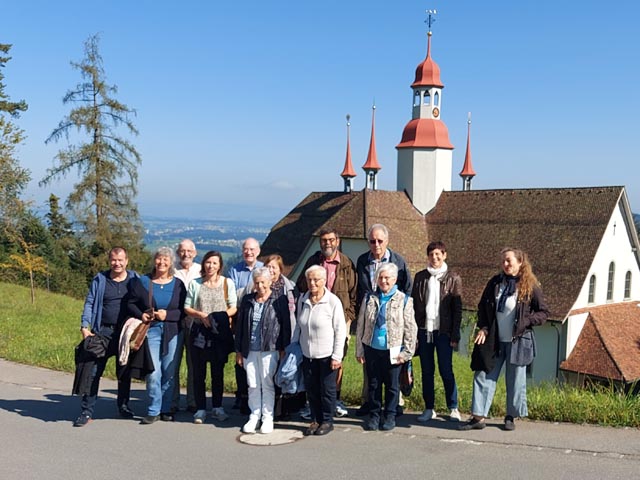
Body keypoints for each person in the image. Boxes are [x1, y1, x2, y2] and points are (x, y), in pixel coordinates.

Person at [460, 247, 549, 432]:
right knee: (483, 374)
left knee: (515, 380)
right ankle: (478, 417)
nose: (505, 264)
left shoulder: (530, 286)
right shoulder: (495, 282)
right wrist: (483, 327)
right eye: (503, 261)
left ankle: (510, 416)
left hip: (519, 340)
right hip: (494, 340)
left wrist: (527, 320)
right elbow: (482, 306)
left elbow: (543, 313)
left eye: (509, 261)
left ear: (520, 262)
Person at [73, 247, 138, 427]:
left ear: (127, 261)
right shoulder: (100, 279)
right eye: (113, 260)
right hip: (102, 332)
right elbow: (90, 302)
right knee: (93, 372)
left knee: (124, 372)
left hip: (125, 333)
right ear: (109, 260)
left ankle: (123, 405)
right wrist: (85, 326)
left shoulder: (135, 280)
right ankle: (86, 411)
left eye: (120, 260)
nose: (117, 263)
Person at [296, 228, 356, 418]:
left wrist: (348, 317)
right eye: (323, 240)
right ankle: (314, 404)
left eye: (330, 240)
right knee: (313, 360)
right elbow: (300, 285)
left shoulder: (346, 264)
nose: (327, 243)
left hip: (339, 316)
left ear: (337, 241)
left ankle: (333, 400)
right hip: (315, 312)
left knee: (336, 359)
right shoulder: (313, 261)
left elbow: (355, 294)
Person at [355, 223, 412, 416]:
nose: (376, 244)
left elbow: (407, 288)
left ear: (387, 241)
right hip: (370, 316)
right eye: (372, 241)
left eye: (380, 241)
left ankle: (394, 405)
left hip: (393, 320)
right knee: (371, 372)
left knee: (393, 368)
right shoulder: (363, 261)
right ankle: (371, 404)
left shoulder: (399, 261)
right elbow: (360, 289)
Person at [127, 246, 187, 424]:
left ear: (171, 263)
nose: (162, 262)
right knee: (153, 371)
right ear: (154, 260)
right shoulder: (143, 282)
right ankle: (153, 409)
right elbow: (130, 302)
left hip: (173, 332)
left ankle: (166, 408)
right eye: (159, 259)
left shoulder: (178, 285)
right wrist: (141, 314)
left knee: (169, 371)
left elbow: (184, 311)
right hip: (151, 331)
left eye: (166, 260)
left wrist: (167, 315)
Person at [356, 263, 417, 431]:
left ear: (395, 279)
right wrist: (359, 350)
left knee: (392, 386)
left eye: (387, 278)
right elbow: (360, 325)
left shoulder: (404, 300)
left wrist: (407, 353)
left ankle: (390, 415)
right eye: (380, 278)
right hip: (372, 348)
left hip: (394, 350)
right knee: (374, 384)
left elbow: (410, 329)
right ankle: (374, 415)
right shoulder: (369, 298)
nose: (383, 281)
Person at [411, 241, 463, 423]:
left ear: (444, 255)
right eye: (431, 255)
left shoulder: (453, 278)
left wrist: (455, 335)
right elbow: (414, 306)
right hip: (424, 331)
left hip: (444, 332)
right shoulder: (420, 277)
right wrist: (414, 333)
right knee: (427, 371)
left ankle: (453, 407)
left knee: (446, 370)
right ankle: (429, 408)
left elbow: (457, 310)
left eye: (438, 254)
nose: (435, 258)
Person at [184, 251, 237, 424]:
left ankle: (217, 406)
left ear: (220, 266)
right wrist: (201, 315)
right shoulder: (195, 284)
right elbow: (187, 307)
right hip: (199, 332)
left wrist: (218, 317)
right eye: (208, 262)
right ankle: (200, 409)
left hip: (218, 333)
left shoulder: (226, 283)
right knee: (199, 372)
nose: (210, 266)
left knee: (217, 372)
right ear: (203, 265)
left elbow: (233, 307)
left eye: (214, 263)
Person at [293, 265, 346, 436]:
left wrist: (337, 356)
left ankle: (327, 421)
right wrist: (293, 349)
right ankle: (315, 419)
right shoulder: (303, 299)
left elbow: (340, 331)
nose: (313, 283)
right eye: (310, 279)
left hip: (327, 355)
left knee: (327, 390)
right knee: (312, 389)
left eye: (316, 279)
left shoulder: (332, 302)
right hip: (308, 354)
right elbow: (299, 327)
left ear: (324, 281)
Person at [235, 267, 290, 434]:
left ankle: (267, 417)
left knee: (267, 383)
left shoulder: (279, 300)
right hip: (249, 349)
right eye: (257, 282)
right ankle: (254, 415)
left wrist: (283, 348)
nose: (260, 286)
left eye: (263, 282)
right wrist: (238, 350)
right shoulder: (247, 300)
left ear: (270, 282)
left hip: (270, 348)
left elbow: (285, 326)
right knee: (252, 384)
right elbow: (240, 326)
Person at [229, 237, 264, 414]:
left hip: (259, 320)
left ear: (258, 251)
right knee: (241, 360)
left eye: (252, 249)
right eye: (245, 249)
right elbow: (232, 296)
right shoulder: (235, 270)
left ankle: (259, 397)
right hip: (240, 319)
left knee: (259, 360)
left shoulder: (264, 268)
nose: (248, 252)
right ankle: (241, 396)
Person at [265, 254, 302, 418]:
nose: (271, 270)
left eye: (274, 267)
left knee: (284, 372)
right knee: (269, 374)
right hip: (267, 338)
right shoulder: (259, 286)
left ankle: (283, 410)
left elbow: (292, 316)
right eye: (268, 266)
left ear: (281, 270)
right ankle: (268, 409)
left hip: (285, 334)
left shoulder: (289, 288)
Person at [172, 239, 201, 413]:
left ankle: (192, 401)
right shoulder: (172, 270)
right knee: (173, 364)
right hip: (175, 322)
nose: (186, 254)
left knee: (194, 364)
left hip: (194, 323)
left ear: (195, 253)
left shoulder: (200, 271)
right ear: (178, 252)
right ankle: (173, 401)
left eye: (189, 251)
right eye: (182, 251)